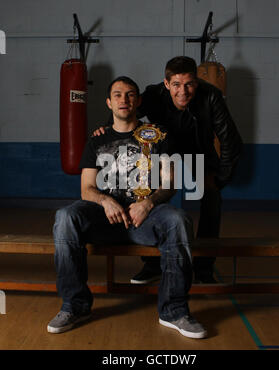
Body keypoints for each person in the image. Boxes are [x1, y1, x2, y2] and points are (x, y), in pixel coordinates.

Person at [47, 76, 207, 339]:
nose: (124, 99)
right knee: (65, 217)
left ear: (138, 101)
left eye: (130, 94)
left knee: (178, 220)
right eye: (118, 95)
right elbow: (86, 189)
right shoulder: (96, 140)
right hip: (105, 218)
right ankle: (74, 306)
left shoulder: (159, 136)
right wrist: (105, 200)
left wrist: (148, 202)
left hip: (145, 218)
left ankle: (174, 311)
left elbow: (169, 185)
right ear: (109, 102)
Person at [93, 56, 243, 285]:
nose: (183, 91)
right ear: (166, 84)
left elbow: (231, 141)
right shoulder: (153, 95)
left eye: (189, 84)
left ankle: (203, 269)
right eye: (176, 85)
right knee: (146, 192)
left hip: (198, 155)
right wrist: (105, 129)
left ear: (197, 82)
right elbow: (124, 110)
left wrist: (220, 179)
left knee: (212, 197)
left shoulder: (211, 96)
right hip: (163, 153)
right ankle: (152, 264)